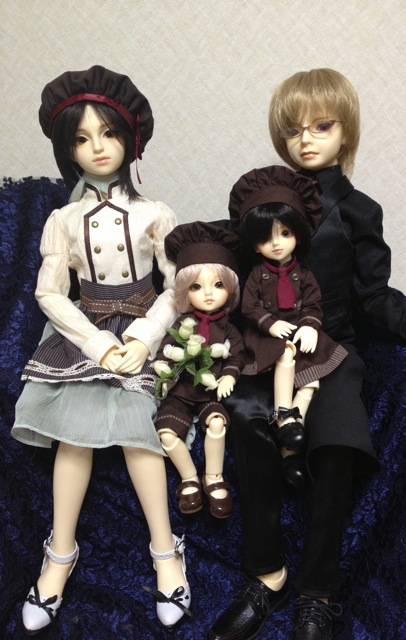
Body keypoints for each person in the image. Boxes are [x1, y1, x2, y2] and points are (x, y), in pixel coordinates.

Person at [208, 68, 406, 640]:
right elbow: (230, 273)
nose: (306, 139)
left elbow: (374, 294)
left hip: (332, 348)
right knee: (247, 417)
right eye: (293, 129)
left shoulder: (358, 210)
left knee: (338, 440)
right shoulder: (262, 199)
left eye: (321, 126)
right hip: (267, 347)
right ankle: (268, 574)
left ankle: (317, 592)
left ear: (345, 131)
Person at [12, 65, 191, 634]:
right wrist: (96, 341)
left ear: (130, 137)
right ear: (68, 149)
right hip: (85, 327)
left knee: (142, 436)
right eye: (82, 138)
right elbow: (49, 293)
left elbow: (177, 287)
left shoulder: (155, 213)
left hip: (142, 325)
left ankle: (166, 551)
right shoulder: (62, 219)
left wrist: (142, 338)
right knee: (73, 438)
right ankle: (59, 554)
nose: (97, 148)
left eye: (108, 134)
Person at [234, 166, 347, 487]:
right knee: (285, 354)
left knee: (312, 380)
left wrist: (310, 326)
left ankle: (292, 437)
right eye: (266, 238)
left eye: (285, 233)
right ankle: (283, 414)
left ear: (298, 233)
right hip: (267, 336)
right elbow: (249, 307)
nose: (277, 244)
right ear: (255, 245)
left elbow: (313, 304)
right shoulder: (257, 275)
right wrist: (270, 324)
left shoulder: (305, 274)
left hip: (300, 332)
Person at [154, 221, 244, 518]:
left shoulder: (228, 329)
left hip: (209, 393)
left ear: (230, 289)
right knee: (167, 433)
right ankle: (189, 477)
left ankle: (214, 477)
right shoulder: (182, 324)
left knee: (217, 424)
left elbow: (237, 355)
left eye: (218, 285)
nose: (208, 294)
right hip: (180, 393)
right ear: (184, 290)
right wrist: (165, 375)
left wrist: (229, 374)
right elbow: (165, 350)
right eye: (196, 286)